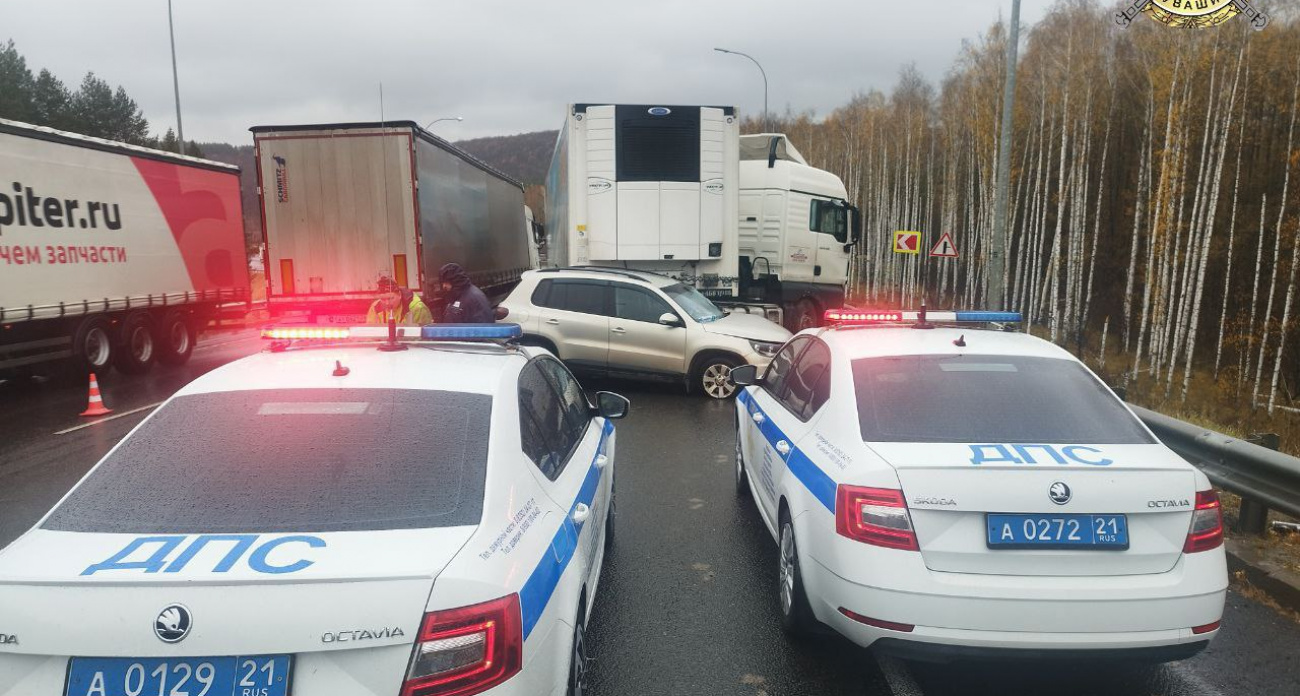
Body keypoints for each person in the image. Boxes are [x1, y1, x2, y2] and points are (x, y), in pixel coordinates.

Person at [366, 276, 432, 326]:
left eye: (391, 298)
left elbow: (421, 336)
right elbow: (370, 332)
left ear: (399, 295)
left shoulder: (417, 308)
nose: (387, 303)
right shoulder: (375, 307)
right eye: (383, 299)